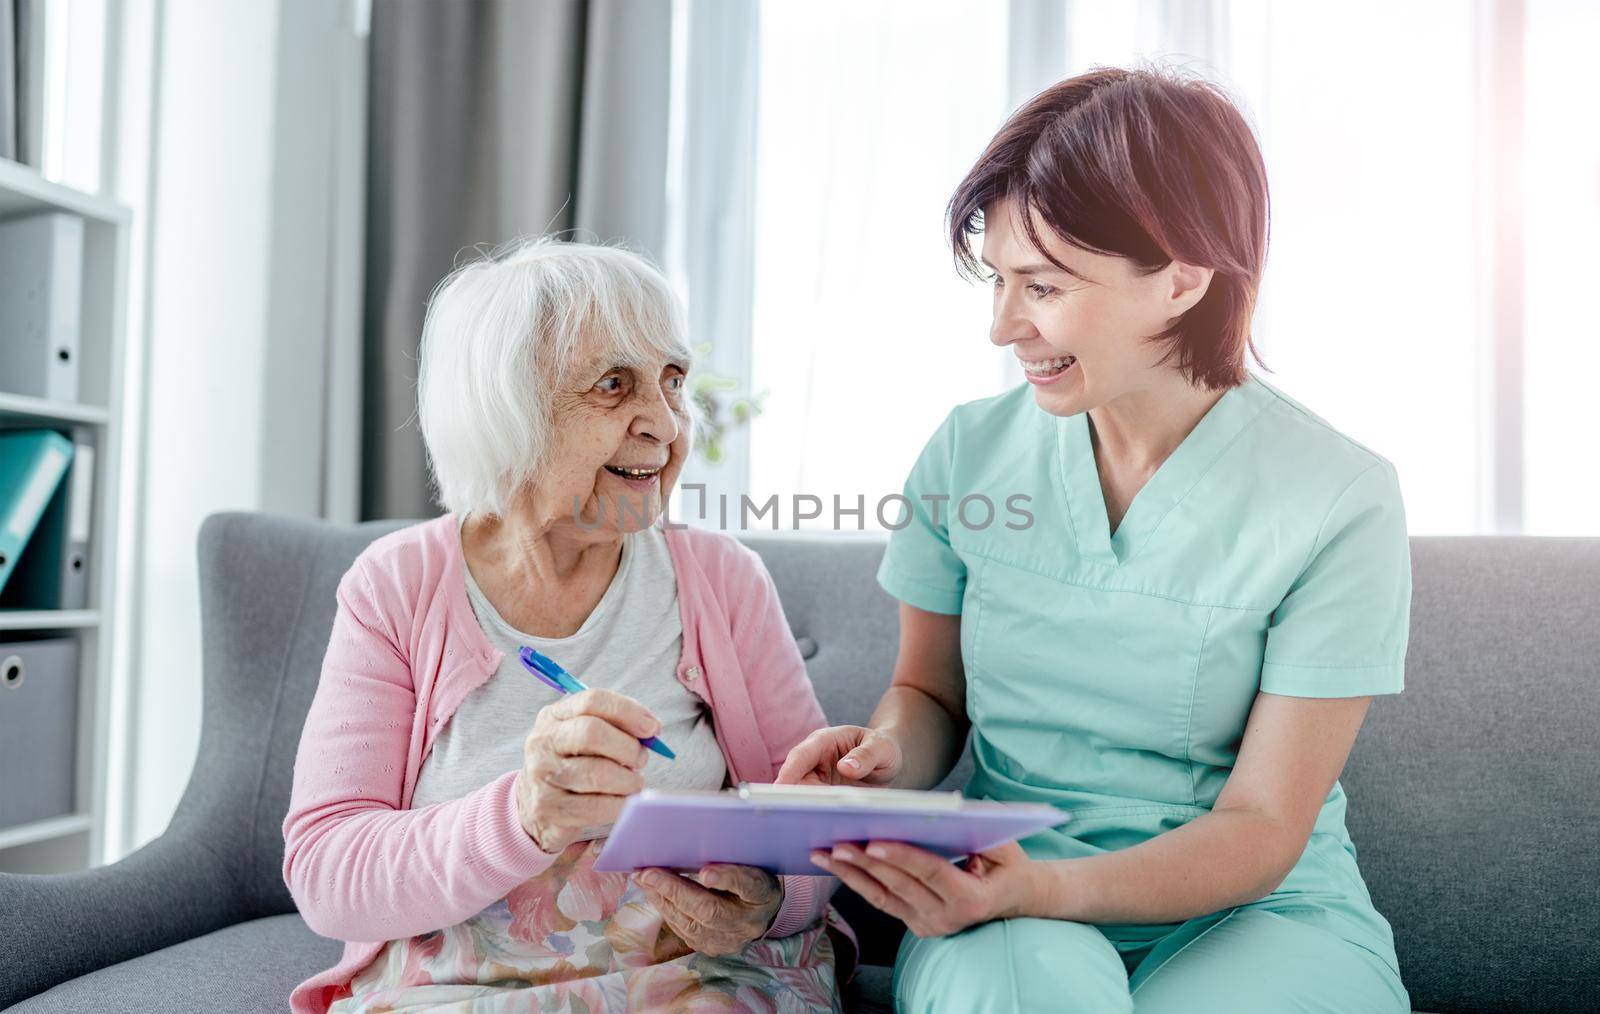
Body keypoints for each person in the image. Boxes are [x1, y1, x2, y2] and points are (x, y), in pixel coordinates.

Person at [778, 66, 1412, 1013]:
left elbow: (1264, 822)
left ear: (1184, 278)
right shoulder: (968, 452)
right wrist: (880, 759)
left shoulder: (1339, 497)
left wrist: (1054, 887)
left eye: (1043, 285)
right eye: (997, 280)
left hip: (1259, 907)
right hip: (1003, 897)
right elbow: (928, 693)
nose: (1004, 326)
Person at [283, 238, 852, 1013]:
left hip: (697, 982)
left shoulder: (723, 578)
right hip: (458, 992)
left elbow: (815, 832)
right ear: (505, 409)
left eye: (674, 380)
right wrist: (527, 814)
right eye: (614, 385)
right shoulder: (398, 585)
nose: (665, 422)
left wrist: (772, 895)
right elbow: (327, 874)